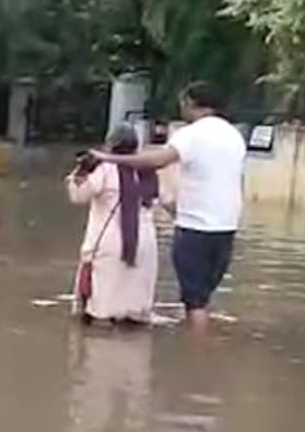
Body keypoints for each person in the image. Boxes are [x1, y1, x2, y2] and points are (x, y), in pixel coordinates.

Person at [92, 81, 246, 331]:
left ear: (190, 103)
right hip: (226, 227)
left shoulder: (192, 133)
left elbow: (157, 160)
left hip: (195, 228)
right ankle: (198, 347)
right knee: (203, 297)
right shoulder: (234, 135)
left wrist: (109, 158)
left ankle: (197, 356)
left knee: (194, 302)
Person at [68, 125, 160, 324]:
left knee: (101, 311)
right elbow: (164, 200)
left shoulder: (104, 169)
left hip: (109, 244)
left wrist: (80, 171)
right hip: (144, 244)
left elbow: (78, 196)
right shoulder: (147, 170)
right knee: (135, 311)